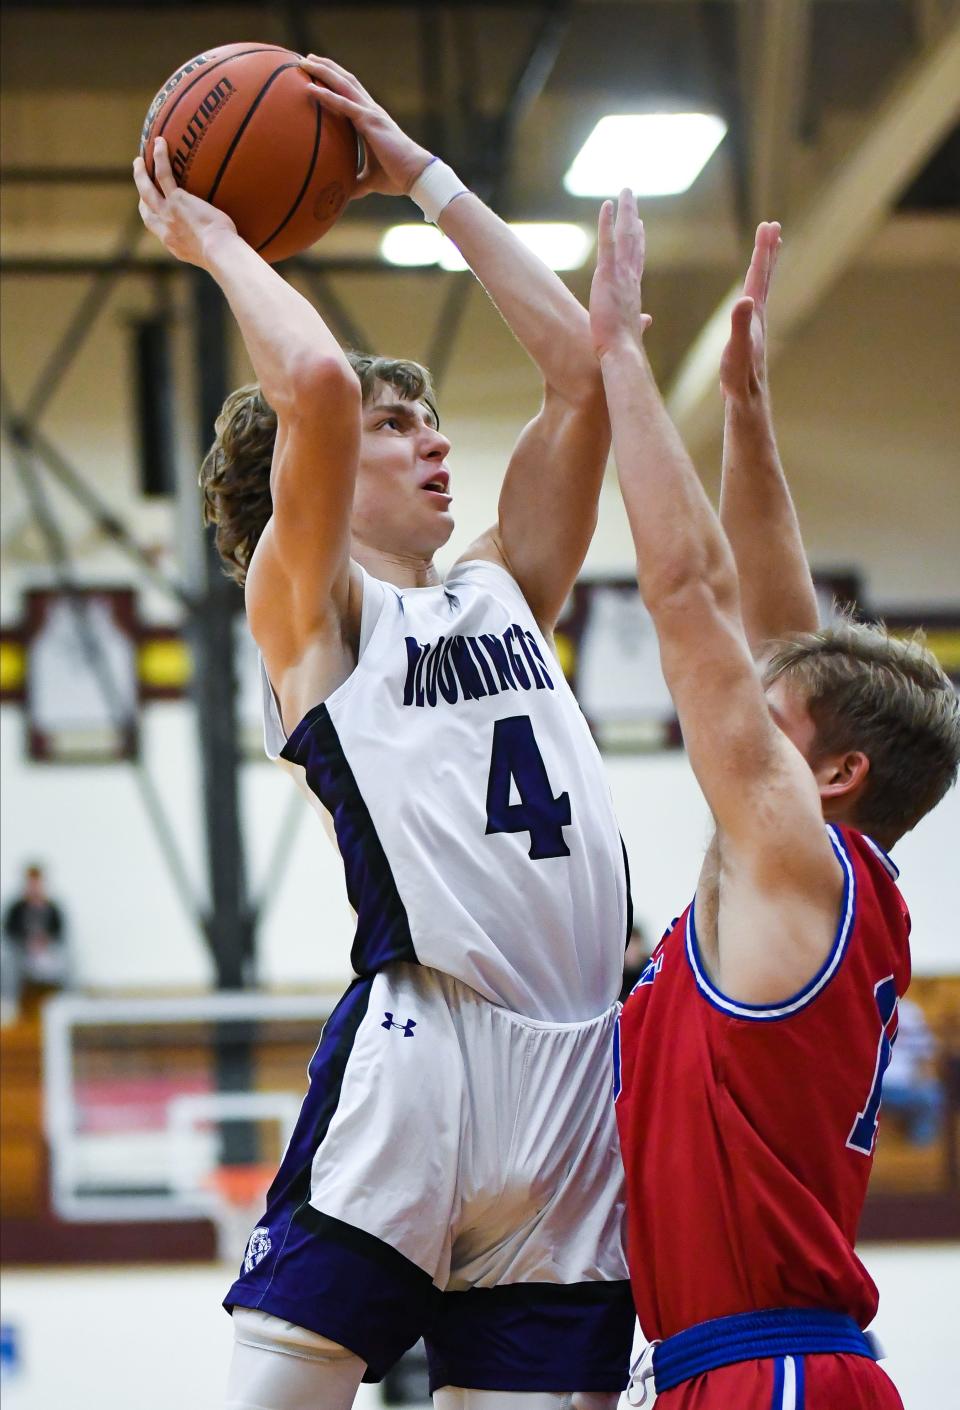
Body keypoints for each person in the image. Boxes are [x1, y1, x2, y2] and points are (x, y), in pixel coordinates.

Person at [134, 57, 634, 1410]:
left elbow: (583, 374)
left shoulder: (504, 585)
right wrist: (218, 236)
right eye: (400, 428)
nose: (432, 445)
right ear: (321, 481)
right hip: (431, 1049)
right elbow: (314, 384)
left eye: (428, 422)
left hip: (584, 1064)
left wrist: (426, 177)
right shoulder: (312, 612)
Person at [591, 192, 960, 1408]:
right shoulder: (822, 872)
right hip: (744, 1364)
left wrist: (622, 360)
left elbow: (690, 592)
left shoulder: (797, 860)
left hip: (775, 1371)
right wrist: (748, 417)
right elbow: (788, 632)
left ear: (835, 773)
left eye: (771, 716)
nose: (745, 709)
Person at [2, 863, 69, 1006]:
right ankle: (9, 1003)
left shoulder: (53, 908)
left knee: (66, 959)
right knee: (8, 961)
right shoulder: (16, 908)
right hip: (22, 954)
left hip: (47, 953)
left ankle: (65, 1003)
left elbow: (60, 934)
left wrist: (45, 943)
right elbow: (9, 933)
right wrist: (26, 943)